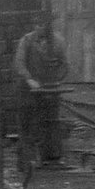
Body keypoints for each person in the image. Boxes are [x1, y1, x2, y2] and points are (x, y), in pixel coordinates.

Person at [13, 10, 69, 169]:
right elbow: (19, 63)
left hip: (49, 90)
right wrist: (29, 79)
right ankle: (25, 161)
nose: (40, 28)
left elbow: (64, 65)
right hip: (27, 90)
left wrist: (57, 79)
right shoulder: (26, 41)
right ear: (34, 25)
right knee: (28, 124)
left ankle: (51, 158)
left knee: (51, 122)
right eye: (37, 24)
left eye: (43, 25)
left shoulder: (58, 42)